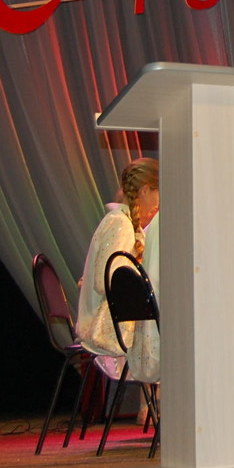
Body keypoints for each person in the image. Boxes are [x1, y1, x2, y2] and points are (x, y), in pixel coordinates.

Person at [77, 157, 159, 381]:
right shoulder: (120, 223)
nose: (158, 204)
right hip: (109, 333)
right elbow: (105, 282)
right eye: (158, 194)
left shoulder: (124, 221)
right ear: (145, 190)